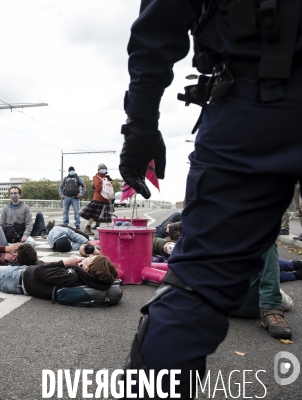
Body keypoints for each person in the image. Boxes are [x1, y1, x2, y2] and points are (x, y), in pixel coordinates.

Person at [119, 0, 302, 394]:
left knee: (195, 291)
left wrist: (140, 123)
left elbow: (157, 30)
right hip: (252, 100)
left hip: (252, 105)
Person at [0, 247, 122, 306]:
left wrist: (64, 263)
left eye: (90, 260)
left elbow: (39, 272)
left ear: (89, 270)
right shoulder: (83, 277)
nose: (88, 257)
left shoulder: (72, 276)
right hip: (20, 279)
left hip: (15, 279)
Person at [80, 163, 113, 235]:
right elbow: (97, 187)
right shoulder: (96, 177)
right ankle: (88, 227)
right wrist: (105, 188)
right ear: (99, 169)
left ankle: (110, 232)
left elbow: (110, 187)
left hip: (106, 199)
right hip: (98, 198)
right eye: (102, 168)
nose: (103, 169)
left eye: (105, 168)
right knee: (94, 214)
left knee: (108, 216)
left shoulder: (106, 178)